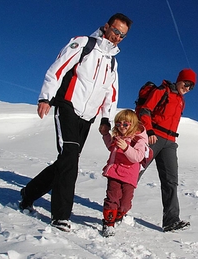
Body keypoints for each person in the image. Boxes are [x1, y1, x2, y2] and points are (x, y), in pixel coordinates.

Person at [19, 13, 133, 232]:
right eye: (116, 31)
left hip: (88, 117)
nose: (118, 37)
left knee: (66, 161)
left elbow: (111, 92)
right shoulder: (83, 44)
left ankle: (29, 192)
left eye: (123, 35)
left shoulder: (112, 62)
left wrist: (105, 119)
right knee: (70, 159)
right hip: (68, 106)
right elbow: (57, 69)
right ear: (107, 26)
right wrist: (46, 97)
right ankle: (61, 215)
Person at [137, 68, 197, 232]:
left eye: (191, 87)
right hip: (153, 136)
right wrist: (149, 131)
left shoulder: (181, 101)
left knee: (171, 181)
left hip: (170, 142)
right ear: (179, 80)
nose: (187, 88)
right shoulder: (163, 91)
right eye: (186, 83)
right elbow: (145, 110)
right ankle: (118, 207)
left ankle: (171, 221)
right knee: (135, 171)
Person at [100, 109, 148, 237]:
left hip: (129, 176)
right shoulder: (118, 137)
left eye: (125, 124)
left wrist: (126, 148)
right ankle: (109, 223)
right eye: (118, 124)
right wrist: (106, 135)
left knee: (125, 202)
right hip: (115, 172)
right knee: (112, 197)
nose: (121, 127)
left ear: (133, 125)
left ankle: (119, 215)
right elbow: (110, 146)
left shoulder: (139, 140)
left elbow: (137, 157)